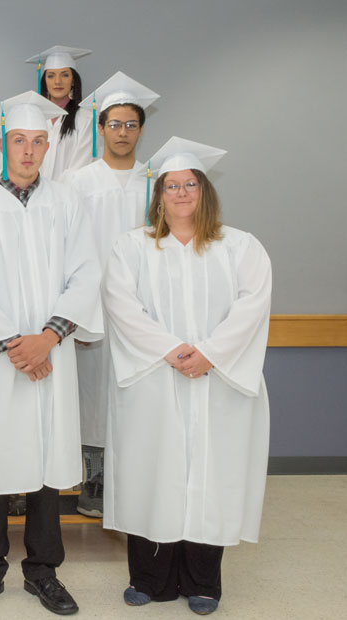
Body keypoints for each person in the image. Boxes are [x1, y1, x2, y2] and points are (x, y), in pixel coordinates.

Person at [0, 92, 103, 615]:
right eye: (20, 140)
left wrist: (49, 337)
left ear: (47, 147)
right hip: (0, 360)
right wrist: (19, 347)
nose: (30, 150)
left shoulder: (66, 202)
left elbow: (85, 273)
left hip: (50, 352)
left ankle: (43, 572)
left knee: (47, 463)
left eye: (39, 141)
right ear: (2, 142)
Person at [102, 138, 270, 616]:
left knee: (209, 476)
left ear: (204, 191)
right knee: (152, 470)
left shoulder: (239, 246)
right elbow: (122, 306)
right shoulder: (131, 246)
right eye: (171, 186)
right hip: (155, 377)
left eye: (189, 185)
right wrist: (173, 351)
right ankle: (149, 578)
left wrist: (211, 355)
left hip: (216, 382)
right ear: (158, 195)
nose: (180, 193)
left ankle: (203, 581)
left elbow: (252, 305)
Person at [59, 72, 160, 518]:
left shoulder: (157, 181)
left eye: (130, 125)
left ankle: (136, 475)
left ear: (141, 129)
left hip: (145, 306)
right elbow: (66, 249)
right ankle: (96, 475)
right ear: (100, 129)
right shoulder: (79, 182)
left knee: (138, 387)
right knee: (93, 391)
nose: (122, 132)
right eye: (114, 124)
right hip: (94, 304)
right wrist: (75, 311)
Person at [23, 46, 94, 180]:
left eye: (65, 75)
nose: (57, 81)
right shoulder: (32, 116)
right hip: (32, 194)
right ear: (44, 80)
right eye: (51, 76)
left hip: (68, 195)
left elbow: (81, 166)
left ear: (73, 80)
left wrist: (56, 194)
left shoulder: (86, 118)